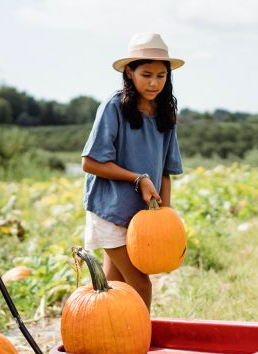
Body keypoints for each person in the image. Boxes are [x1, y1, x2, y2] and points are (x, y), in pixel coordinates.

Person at [81, 32, 184, 309]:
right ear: (130, 72)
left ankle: (111, 347)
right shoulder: (113, 107)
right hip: (110, 209)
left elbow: (165, 170)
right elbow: (89, 163)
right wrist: (137, 179)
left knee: (115, 290)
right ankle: (140, 346)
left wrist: (166, 213)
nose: (154, 83)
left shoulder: (165, 112)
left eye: (161, 76)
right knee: (140, 284)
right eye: (146, 75)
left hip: (141, 219)